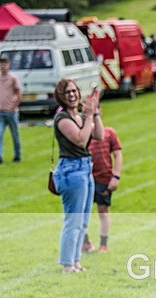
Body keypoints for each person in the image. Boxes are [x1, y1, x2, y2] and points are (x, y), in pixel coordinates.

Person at [52, 78, 103, 273]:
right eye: (67, 93)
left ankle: (76, 261)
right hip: (71, 171)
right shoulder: (62, 119)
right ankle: (67, 264)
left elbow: (99, 135)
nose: (72, 95)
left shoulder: (82, 116)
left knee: (83, 220)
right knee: (73, 220)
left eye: (74, 91)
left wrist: (95, 111)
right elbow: (81, 140)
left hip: (85, 169)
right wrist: (89, 114)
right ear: (61, 97)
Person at [82, 106, 122, 253]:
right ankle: (85, 242)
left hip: (104, 178)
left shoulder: (109, 133)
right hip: (86, 178)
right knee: (81, 212)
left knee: (103, 211)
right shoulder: (82, 135)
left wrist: (116, 176)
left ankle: (103, 244)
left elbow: (118, 155)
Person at [0, 57, 22, 166]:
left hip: (11, 111)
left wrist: (14, 106)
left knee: (15, 135)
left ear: (9, 65)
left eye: (5, 64)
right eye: (1, 64)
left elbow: (18, 92)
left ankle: (17, 155)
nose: (3, 66)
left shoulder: (13, 78)